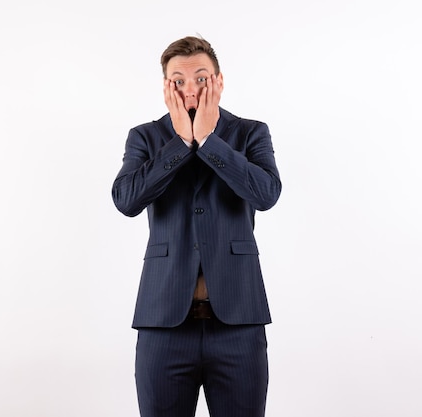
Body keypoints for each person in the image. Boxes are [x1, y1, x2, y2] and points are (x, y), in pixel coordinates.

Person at [112, 35, 282, 417]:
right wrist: (179, 142)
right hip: (164, 324)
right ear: (166, 86)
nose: (190, 89)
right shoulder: (146, 137)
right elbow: (126, 200)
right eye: (179, 80)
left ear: (218, 81)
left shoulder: (250, 133)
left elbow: (267, 194)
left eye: (201, 78)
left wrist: (207, 140)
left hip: (238, 323)